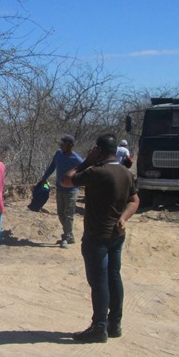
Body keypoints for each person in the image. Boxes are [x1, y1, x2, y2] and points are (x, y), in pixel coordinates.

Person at [61, 134, 139, 343]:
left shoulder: (96, 172)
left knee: (99, 281)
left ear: (99, 151)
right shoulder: (125, 173)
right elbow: (134, 200)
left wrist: (86, 161)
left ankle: (99, 327)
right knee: (114, 277)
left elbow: (66, 179)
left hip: (97, 235)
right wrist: (123, 217)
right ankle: (115, 324)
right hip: (117, 234)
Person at [40, 134, 83, 249]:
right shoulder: (58, 154)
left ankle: (66, 237)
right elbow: (52, 166)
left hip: (72, 190)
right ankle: (69, 235)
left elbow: (85, 171)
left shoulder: (77, 159)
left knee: (69, 215)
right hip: (60, 189)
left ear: (69, 145)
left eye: (62, 144)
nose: (60, 146)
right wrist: (44, 178)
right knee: (60, 213)